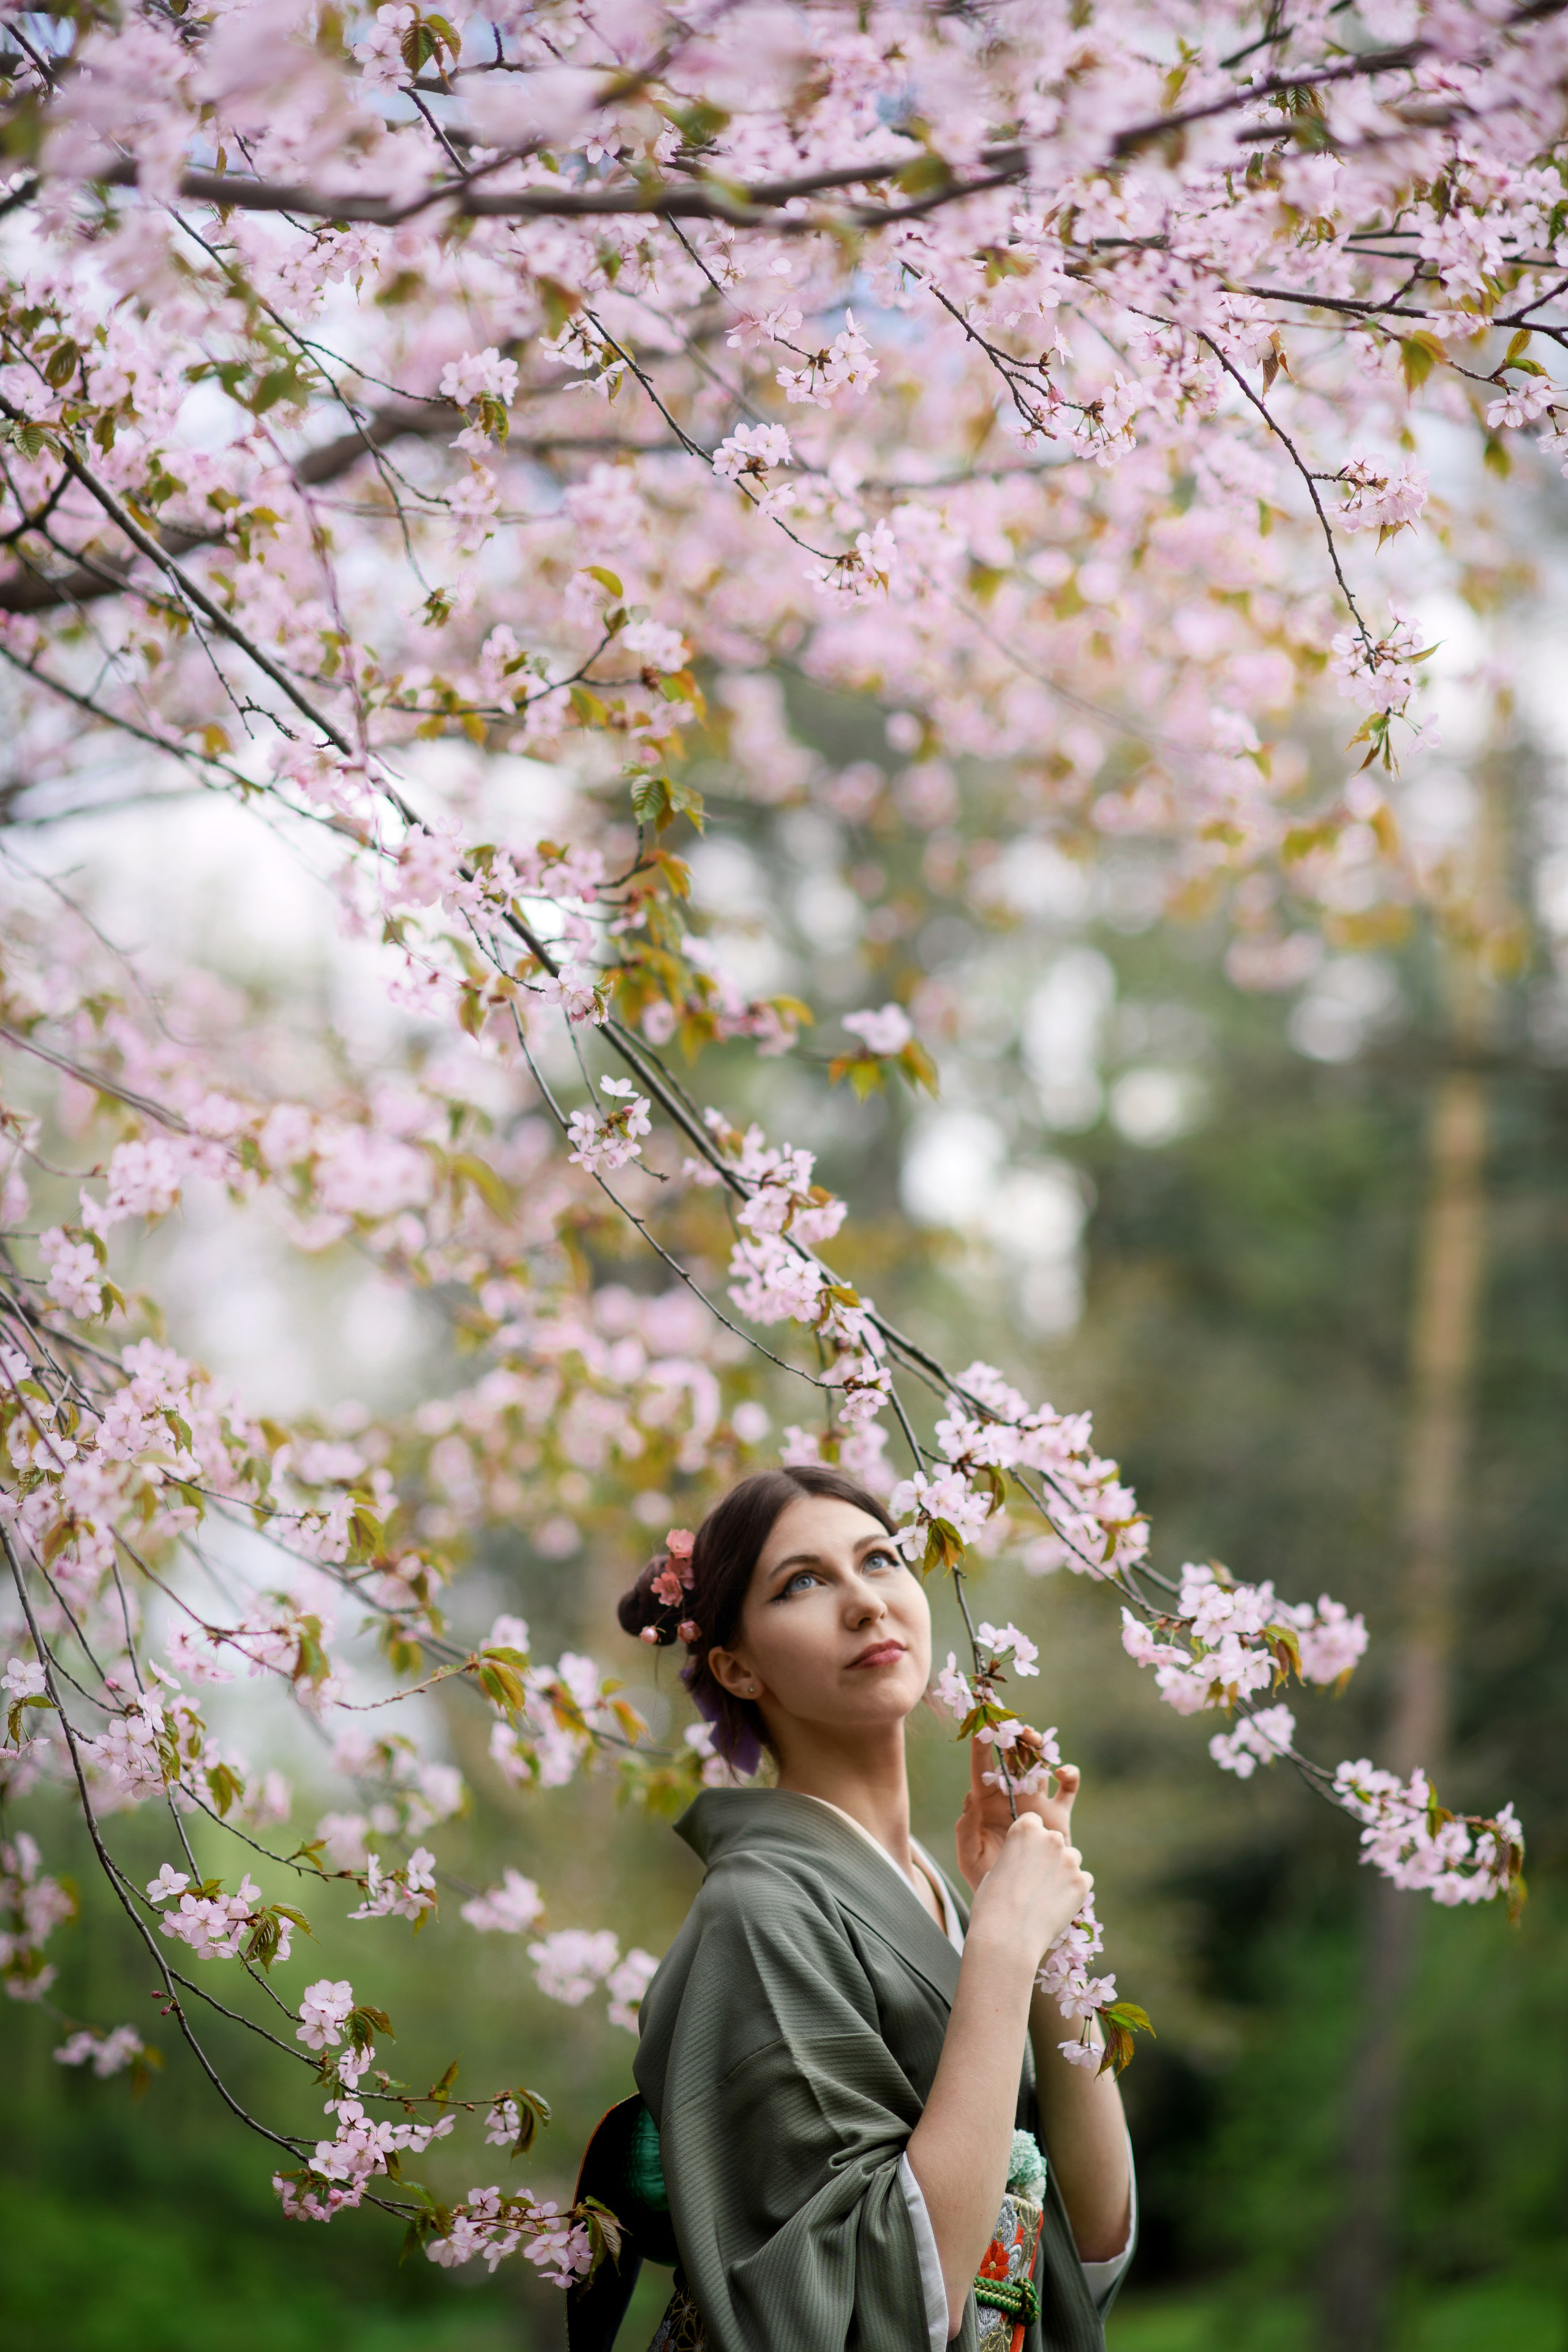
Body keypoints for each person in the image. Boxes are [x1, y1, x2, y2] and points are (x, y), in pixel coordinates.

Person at [604, 1461, 1135, 2352]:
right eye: (802, 1583)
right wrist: (1002, 1942)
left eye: (881, 1559)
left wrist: (1044, 1937)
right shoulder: (758, 1912)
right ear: (736, 1667)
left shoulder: (935, 1890)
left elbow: (1089, 2237)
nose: (863, 1602)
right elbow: (877, 2308)